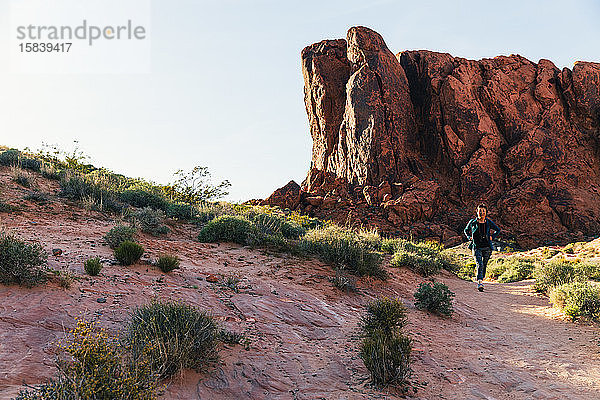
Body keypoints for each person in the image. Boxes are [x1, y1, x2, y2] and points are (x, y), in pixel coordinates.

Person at [463, 203, 500, 292]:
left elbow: (497, 229)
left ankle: (481, 278)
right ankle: (480, 282)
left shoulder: (488, 222)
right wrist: (469, 237)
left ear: (486, 212)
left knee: (484, 265)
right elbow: (466, 230)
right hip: (476, 247)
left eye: (483, 211)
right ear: (477, 212)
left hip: (487, 247)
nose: (481, 213)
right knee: (480, 264)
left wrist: (493, 237)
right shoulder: (472, 222)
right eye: (480, 211)